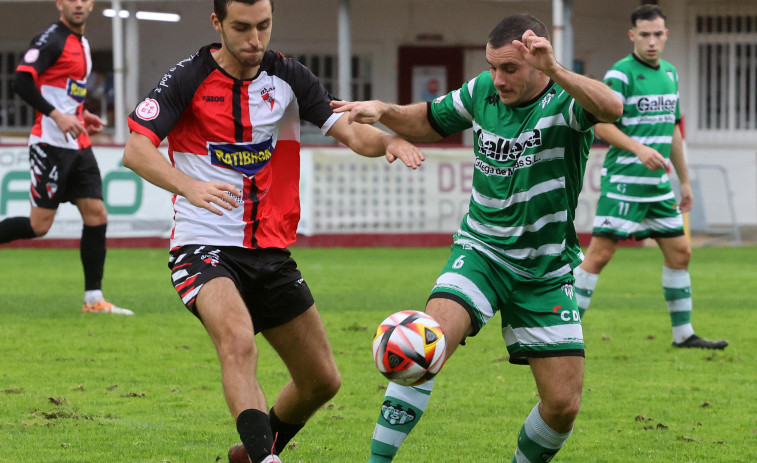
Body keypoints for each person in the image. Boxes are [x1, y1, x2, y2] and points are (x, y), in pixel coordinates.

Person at [122, 1, 424, 462]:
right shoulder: (187, 78)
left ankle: (251, 453)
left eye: (264, 26)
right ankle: (265, 458)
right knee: (238, 340)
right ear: (217, 23)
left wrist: (390, 139)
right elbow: (136, 150)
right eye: (242, 28)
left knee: (322, 379)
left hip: (270, 250)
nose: (255, 41)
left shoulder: (289, 78)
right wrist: (190, 186)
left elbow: (352, 133)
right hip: (202, 245)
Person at [331, 14, 623, 463]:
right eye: (492, 66)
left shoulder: (565, 100)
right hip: (481, 250)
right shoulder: (482, 91)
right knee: (423, 344)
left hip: (544, 270)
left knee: (563, 406)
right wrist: (385, 111)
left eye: (510, 68)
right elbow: (429, 119)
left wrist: (557, 69)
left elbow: (613, 108)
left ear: (537, 62)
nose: (497, 79)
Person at [573, 5, 728, 350]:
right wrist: (638, 149)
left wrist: (683, 180)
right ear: (632, 36)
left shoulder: (670, 74)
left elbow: (673, 129)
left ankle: (683, 334)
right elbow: (600, 123)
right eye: (645, 35)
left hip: (657, 187)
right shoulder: (621, 75)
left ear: (666, 35)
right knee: (598, 256)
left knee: (680, 253)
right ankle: (561, 332)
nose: (652, 41)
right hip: (625, 181)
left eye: (658, 34)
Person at [0, 0, 132, 316]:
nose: (78, 4)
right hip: (49, 144)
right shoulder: (51, 39)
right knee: (39, 225)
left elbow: (63, 90)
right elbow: (21, 81)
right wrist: (58, 116)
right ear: (59, 3)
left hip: (78, 143)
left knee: (97, 214)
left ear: (91, 4)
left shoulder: (82, 43)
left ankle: (94, 300)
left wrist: (81, 114)